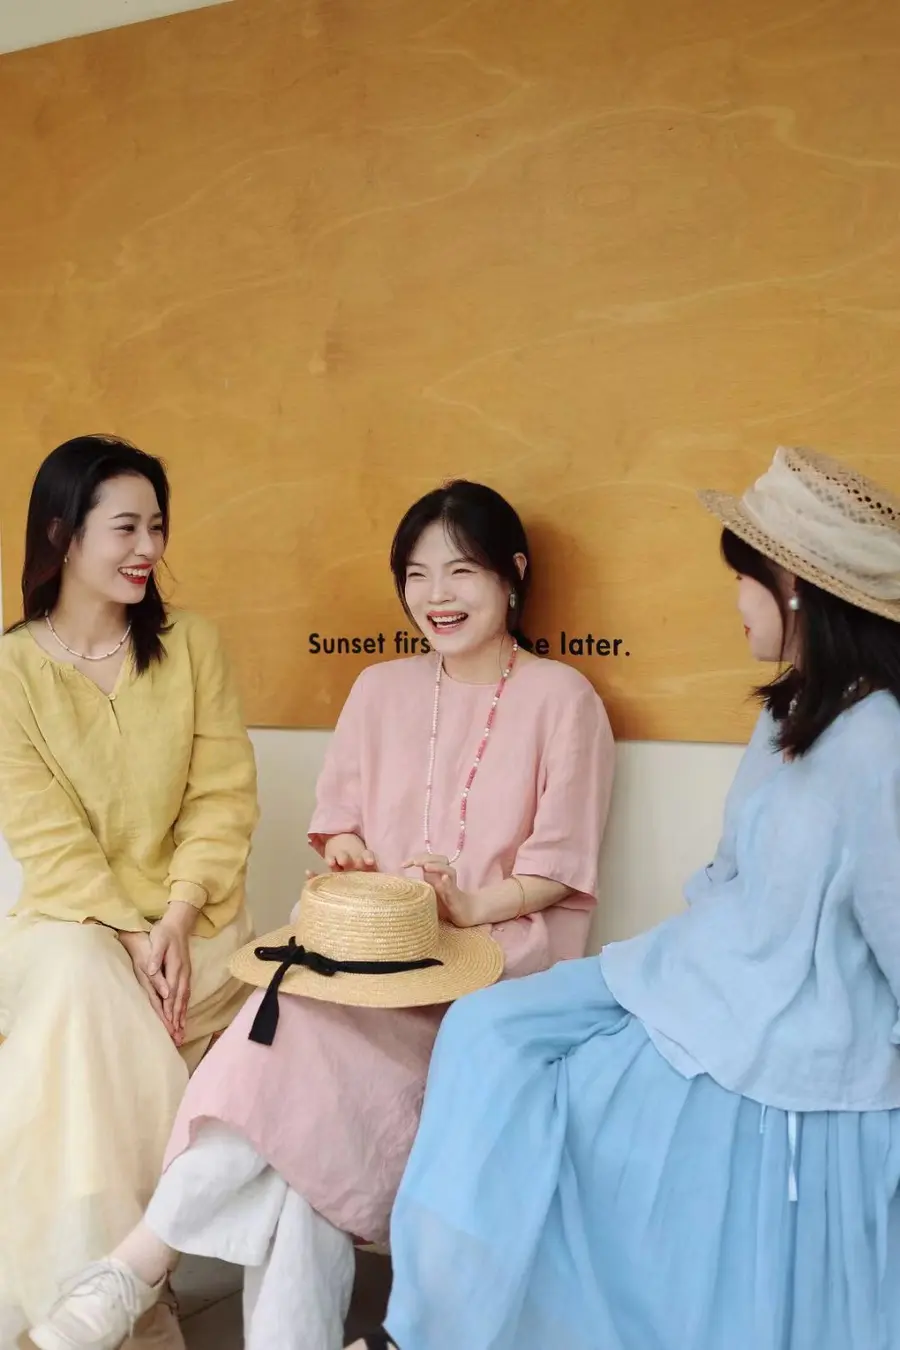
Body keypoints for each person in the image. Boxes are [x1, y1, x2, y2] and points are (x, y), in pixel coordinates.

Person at [28, 479, 616, 1350]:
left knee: (292, 1053)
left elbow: (558, 872)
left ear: (514, 573)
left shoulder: (565, 699)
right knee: (295, 1088)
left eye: (461, 571)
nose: (437, 595)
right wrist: (349, 856)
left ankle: (132, 1266)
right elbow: (339, 824)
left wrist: (466, 904)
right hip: (363, 957)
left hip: (491, 971)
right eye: (417, 575)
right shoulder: (379, 688)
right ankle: (162, 1285)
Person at [359, 445, 900, 1350]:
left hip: (779, 1020)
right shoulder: (792, 712)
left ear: (796, 590)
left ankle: (435, 1331)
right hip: (694, 970)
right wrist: (685, 971)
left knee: (569, 1100)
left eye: (744, 579)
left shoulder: (879, 742)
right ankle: (432, 1318)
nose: (734, 601)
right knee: (486, 1033)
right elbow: (730, 870)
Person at [0, 435, 258, 1349]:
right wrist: (130, 936)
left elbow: (223, 800)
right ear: (62, 534)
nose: (148, 547)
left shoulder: (193, 647)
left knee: (83, 1041)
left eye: (157, 525)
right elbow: (46, 838)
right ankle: (132, 1311)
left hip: (199, 930)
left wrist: (176, 920)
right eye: (126, 527)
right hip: (70, 927)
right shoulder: (10, 673)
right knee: (83, 982)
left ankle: (79, 1312)